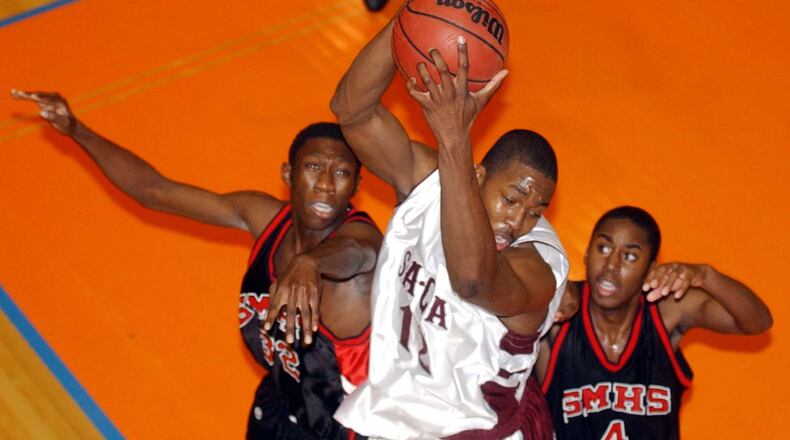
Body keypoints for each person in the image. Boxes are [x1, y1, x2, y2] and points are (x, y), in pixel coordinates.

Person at [11, 89, 383, 439]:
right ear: (288, 175)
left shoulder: (359, 252)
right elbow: (154, 191)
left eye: (342, 173)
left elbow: (358, 253)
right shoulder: (265, 217)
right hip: (281, 403)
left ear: (356, 186)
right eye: (314, 167)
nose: (325, 185)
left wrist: (310, 263)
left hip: (344, 432)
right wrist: (78, 131)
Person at [329, 15, 569, 439]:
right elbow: (351, 111)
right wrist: (409, 18)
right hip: (392, 413)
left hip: (471, 431)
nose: (518, 221)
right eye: (510, 200)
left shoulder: (539, 267)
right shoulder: (431, 184)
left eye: (535, 211)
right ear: (477, 176)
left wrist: (454, 138)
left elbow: (473, 280)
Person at [536, 206, 773, 440]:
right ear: (587, 254)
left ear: (650, 270)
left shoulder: (666, 312)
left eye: (629, 256)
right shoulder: (559, 311)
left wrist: (707, 275)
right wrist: (550, 288)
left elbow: (757, 322)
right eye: (604, 248)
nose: (611, 266)